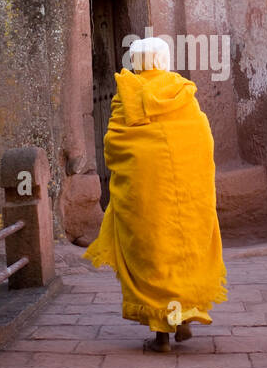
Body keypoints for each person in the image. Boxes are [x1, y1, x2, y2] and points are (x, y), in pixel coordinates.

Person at [83, 35, 227, 351]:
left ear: (135, 63)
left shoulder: (126, 97)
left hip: (146, 196)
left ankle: (162, 335)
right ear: (163, 60)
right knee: (184, 248)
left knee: (153, 251)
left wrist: (131, 173)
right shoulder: (181, 93)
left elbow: (114, 146)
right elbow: (202, 140)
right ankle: (185, 318)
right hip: (185, 194)